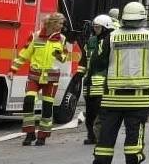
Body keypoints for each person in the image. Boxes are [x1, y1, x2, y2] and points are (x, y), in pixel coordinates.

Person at [91, 2, 149, 164]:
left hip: (112, 97)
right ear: (143, 18)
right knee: (134, 135)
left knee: (106, 133)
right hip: (138, 98)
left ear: (123, 18)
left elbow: (97, 64)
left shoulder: (109, 38)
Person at [9, 13, 69, 146]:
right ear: (52, 23)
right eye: (60, 23)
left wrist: (59, 55)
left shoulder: (62, 39)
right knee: (28, 101)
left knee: (47, 107)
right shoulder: (35, 36)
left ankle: (42, 136)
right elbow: (24, 54)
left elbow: (65, 57)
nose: (62, 26)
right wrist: (13, 69)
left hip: (51, 78)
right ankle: (29, 133)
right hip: (35, 76)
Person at [80, 14, 114, 145]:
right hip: (89, 83)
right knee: (90, 113)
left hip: (102, 84)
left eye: (98, 27)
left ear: (105, 28)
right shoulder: (91, 41)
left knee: (101, 113)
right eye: (94, 27)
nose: (95, 29)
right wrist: (79, 76)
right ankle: (91, 136)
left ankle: (100, 136)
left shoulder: (110, 42)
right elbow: (84, 59)